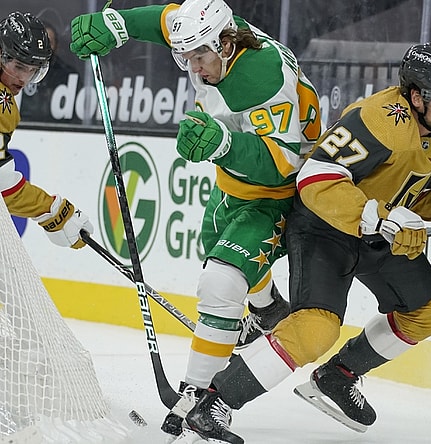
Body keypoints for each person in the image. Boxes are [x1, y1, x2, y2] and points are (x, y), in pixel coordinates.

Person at [171, 42, 431, 444]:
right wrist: (377, 215)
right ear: (417, 97)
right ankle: (213, 402)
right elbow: (316, 177)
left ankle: (338, 375)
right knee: (316, 329)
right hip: (324, 227)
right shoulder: (379, 119)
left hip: (375, 235)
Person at [69, 0, 322, 438]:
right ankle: (266, 309)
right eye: (184, 57)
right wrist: (116, 24)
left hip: (279, 195)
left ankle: (199, 397)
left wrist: (223, 144)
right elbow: (166, 20)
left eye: (200, 57)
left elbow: (281, 164)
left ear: (226, 44)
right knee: (217, 253)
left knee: (222, 283)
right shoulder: (210, 32)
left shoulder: (260, 79)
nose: (194, 68)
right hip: (232, 187)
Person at [1, 12, 93, 249]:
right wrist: (53, 211)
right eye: (19, 66)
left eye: (32, 70)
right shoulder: (2, 106)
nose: (24, 78)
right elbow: (3, 186)